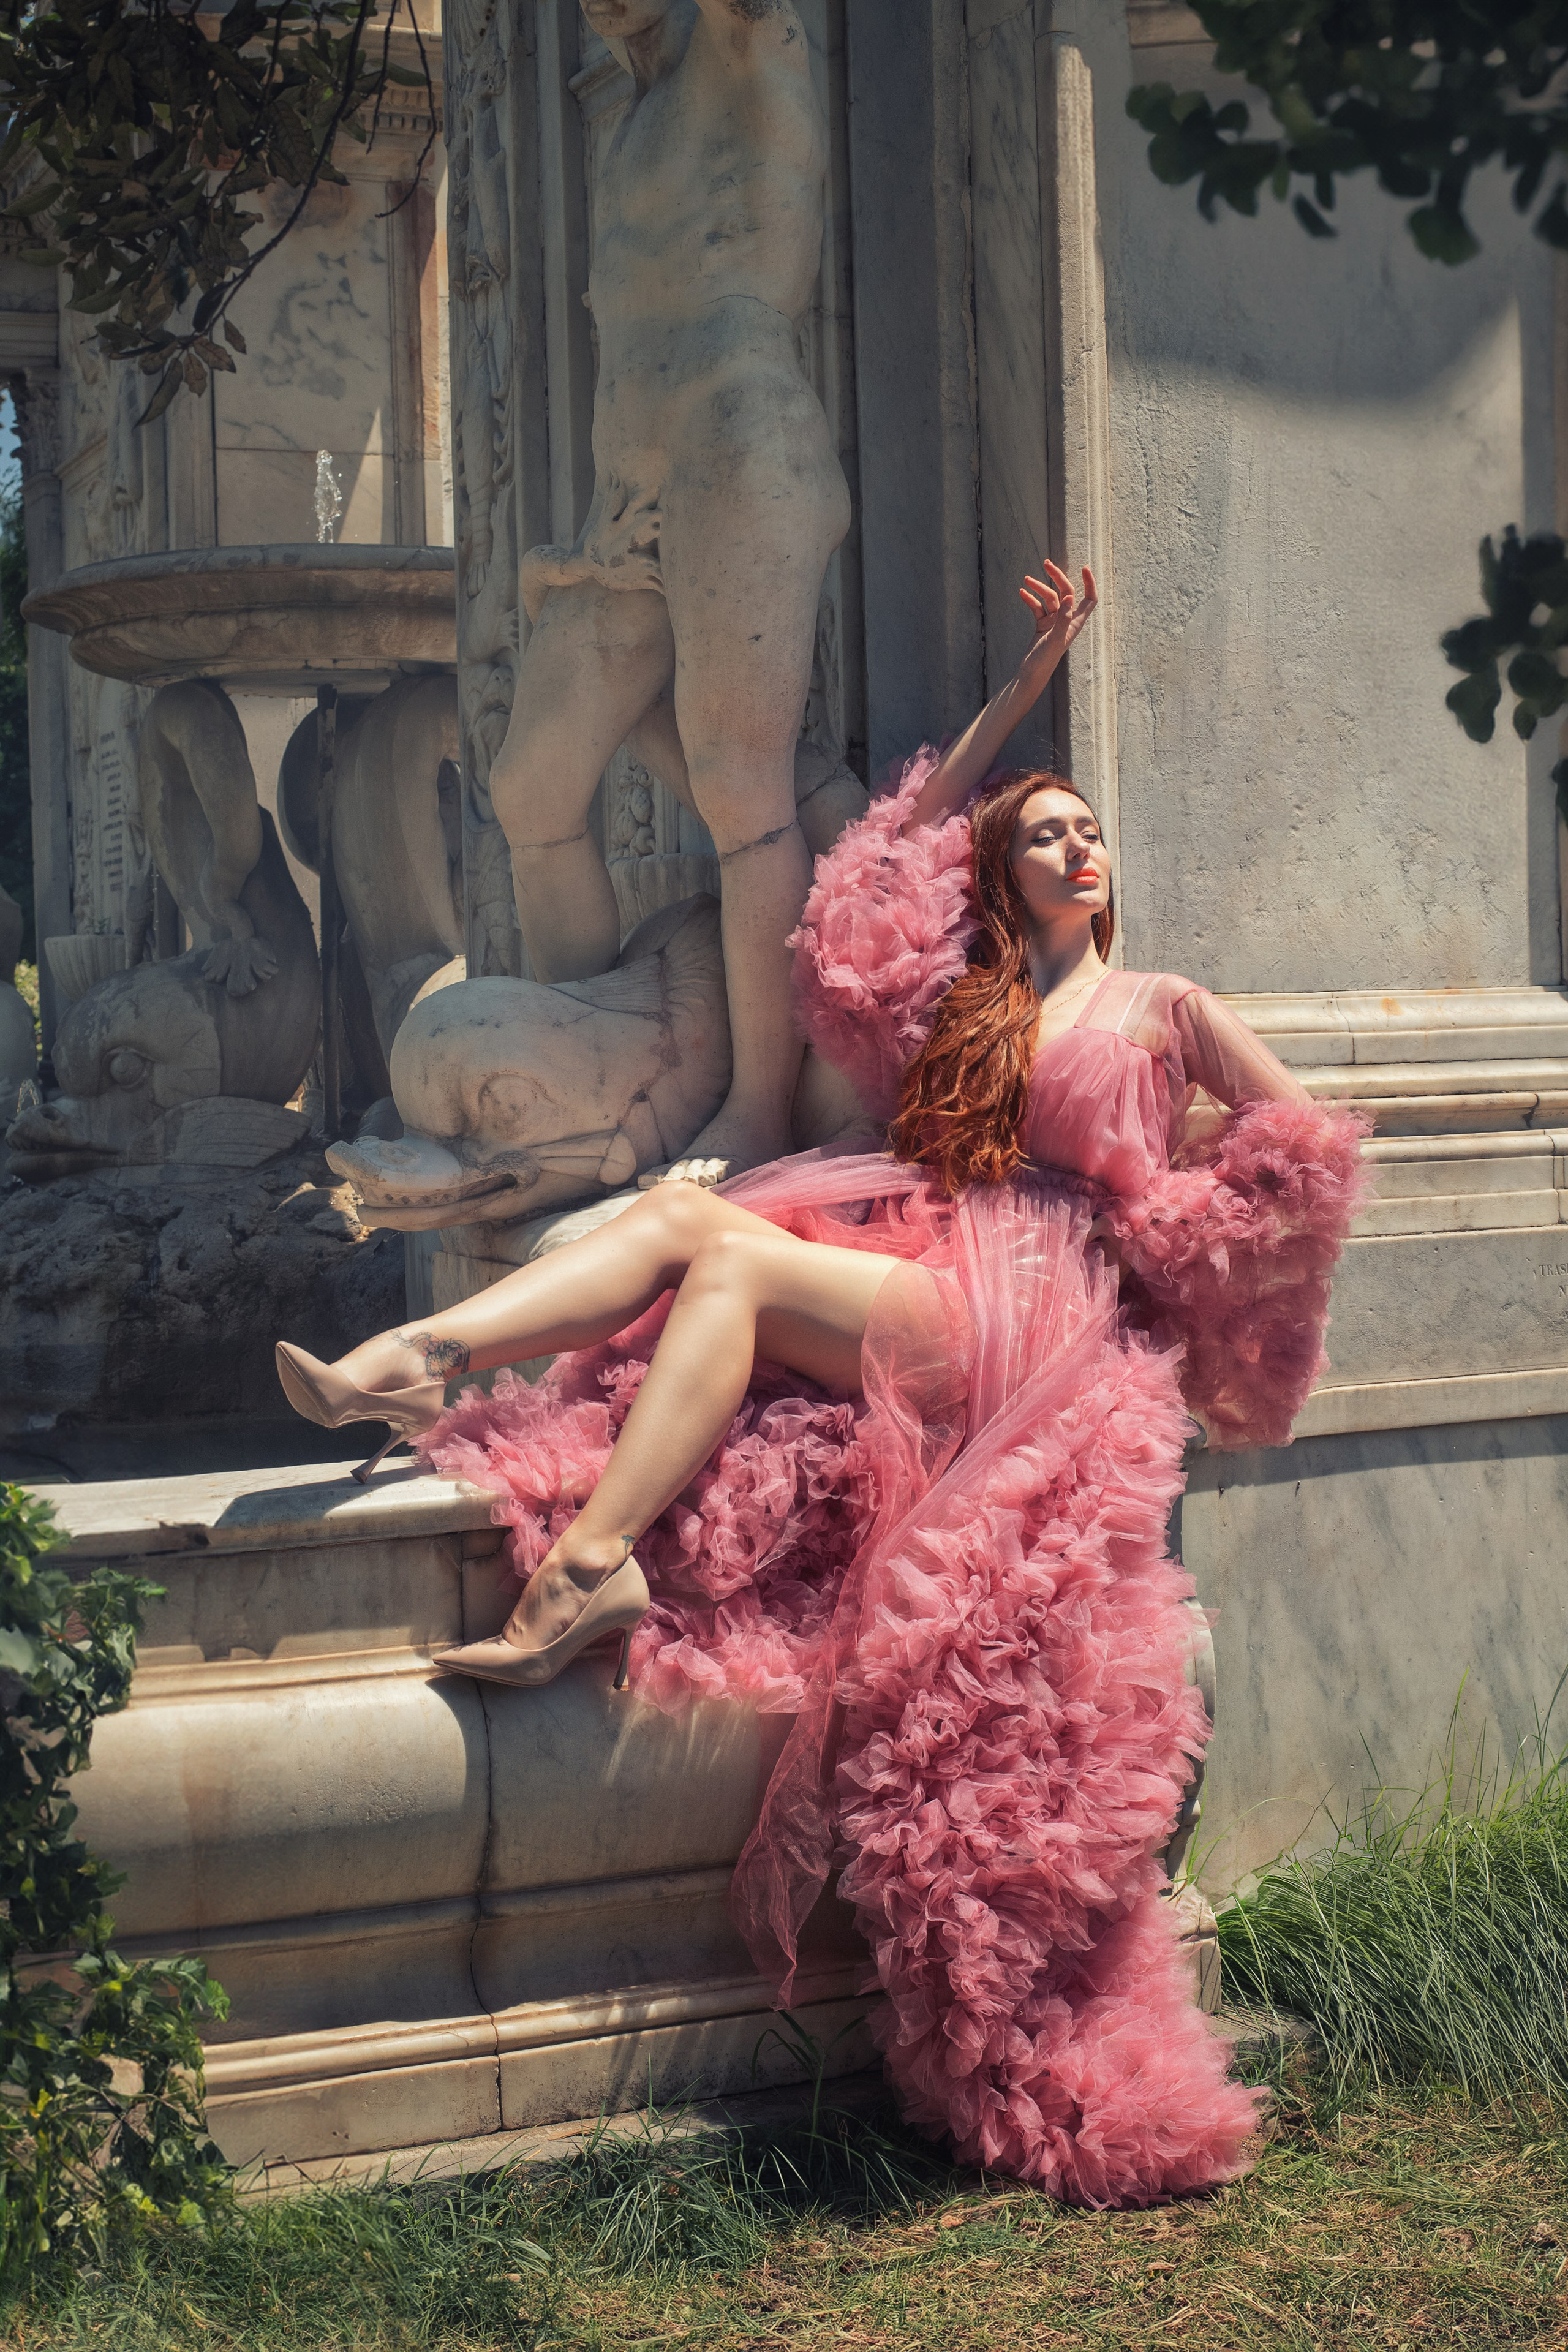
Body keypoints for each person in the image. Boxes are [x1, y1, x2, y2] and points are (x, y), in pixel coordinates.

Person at [276, 561, 1368, 2204]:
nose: (1078, 847)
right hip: (940, 1257)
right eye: (1045, 832)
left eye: (1088, 832)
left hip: (1041, 1309)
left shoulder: (1166, 1006)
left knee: (726, 1251)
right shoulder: (977, 1005)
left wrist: (1167, 1210)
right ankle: (422, 1362)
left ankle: (565, 1534)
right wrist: (1022, 681)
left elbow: (1310, 1156)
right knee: (685, 1218)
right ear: (1010, 872)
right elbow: (888, 874)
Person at [492, 0, 851, 1185]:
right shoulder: (630, 117)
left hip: (738, 437)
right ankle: (596, 1071)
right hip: (625, 493)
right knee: (532, 786)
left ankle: (756, 1109)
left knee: (740, 786)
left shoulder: (753, 40)